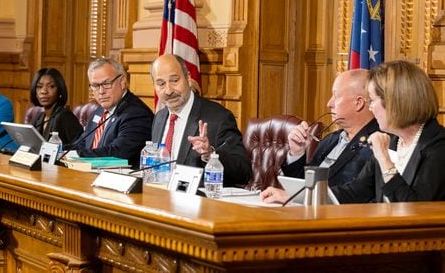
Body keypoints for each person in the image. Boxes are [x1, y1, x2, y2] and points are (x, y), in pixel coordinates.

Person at [262, 60, 445, 204]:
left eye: (372, 101)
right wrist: (294, 197)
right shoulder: (393, 141)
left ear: (395, 103)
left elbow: (415, 207)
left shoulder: (438, 146)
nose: (371, 109)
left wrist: (385, 161)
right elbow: (354, 191)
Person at [150, 54, 251, 187]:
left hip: (198, 203)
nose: (168, 91)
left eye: (174, 80)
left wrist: (210, 155)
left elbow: (243, 171)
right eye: (161, 84)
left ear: (188, 77)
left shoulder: (218, 118)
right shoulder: (159, 118)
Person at [281, 69, 379, 187]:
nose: (329, 104)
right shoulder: (330, 140)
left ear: (358, 103)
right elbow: (302, 187)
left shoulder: (377, 144)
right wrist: (297, 152)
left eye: (336, 96)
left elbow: (356, 193)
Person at [73, 58, 153, 169]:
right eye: (95, 86)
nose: (101, 91)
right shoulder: (100, 111)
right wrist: (59, 151)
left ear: (122, 82)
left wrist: (75, 156)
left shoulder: (137, 114)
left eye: (106, 83)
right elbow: (83, 143)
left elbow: (118, 153)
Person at [29, 68, 82, 145]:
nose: (44, 91)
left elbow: (79, 146)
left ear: (60, 90)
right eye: (39, 87)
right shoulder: (39, 118)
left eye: (51, 86)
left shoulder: (65, 116)